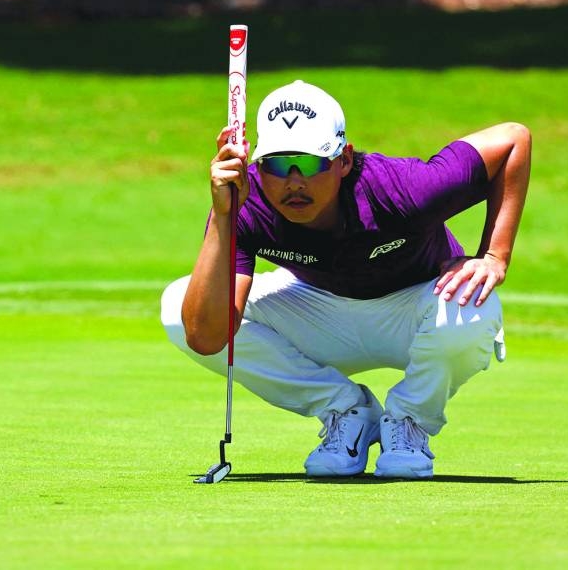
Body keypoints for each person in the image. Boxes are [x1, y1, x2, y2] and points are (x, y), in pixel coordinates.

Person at [161, 80, 531, 479]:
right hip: (319, 311)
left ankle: (409, 423)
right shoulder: (242, 201)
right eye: (279, 165)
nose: (295, 182)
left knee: (473, 302)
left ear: (344, 160)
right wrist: (222, 216)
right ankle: (346, 410)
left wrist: (494, 255)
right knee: (178, 308)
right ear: (257, 165)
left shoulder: (403, 188)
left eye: (312, 163)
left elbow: (513, 139)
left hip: (416, 310)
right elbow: (206, 336)